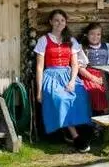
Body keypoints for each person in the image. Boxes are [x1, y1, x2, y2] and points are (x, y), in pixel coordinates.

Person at [34, 9, 92, 152]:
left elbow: (74, 64)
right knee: (60, 98)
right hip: (51, 75)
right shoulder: (43, 40)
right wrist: (39, 91)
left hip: (68, 74)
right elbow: (40, 67)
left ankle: (81, 130)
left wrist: (72, 81)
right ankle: (75, 136)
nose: (59, 23)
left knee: (81, 94)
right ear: (50, 22)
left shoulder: (71, 40)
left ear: (66, 23)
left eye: (62, 20)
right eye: (56, 20)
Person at [77, 22, 109, 115]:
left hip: (105, 75)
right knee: (95, 90)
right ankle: (101, 115)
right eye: (92, 34)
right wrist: (93, 78)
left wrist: (105, 77)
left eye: (98, 34)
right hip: (89, 76)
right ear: (87, 35)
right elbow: (80, 67)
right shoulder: (82, 47)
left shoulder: (107, 47)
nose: (95, 37)